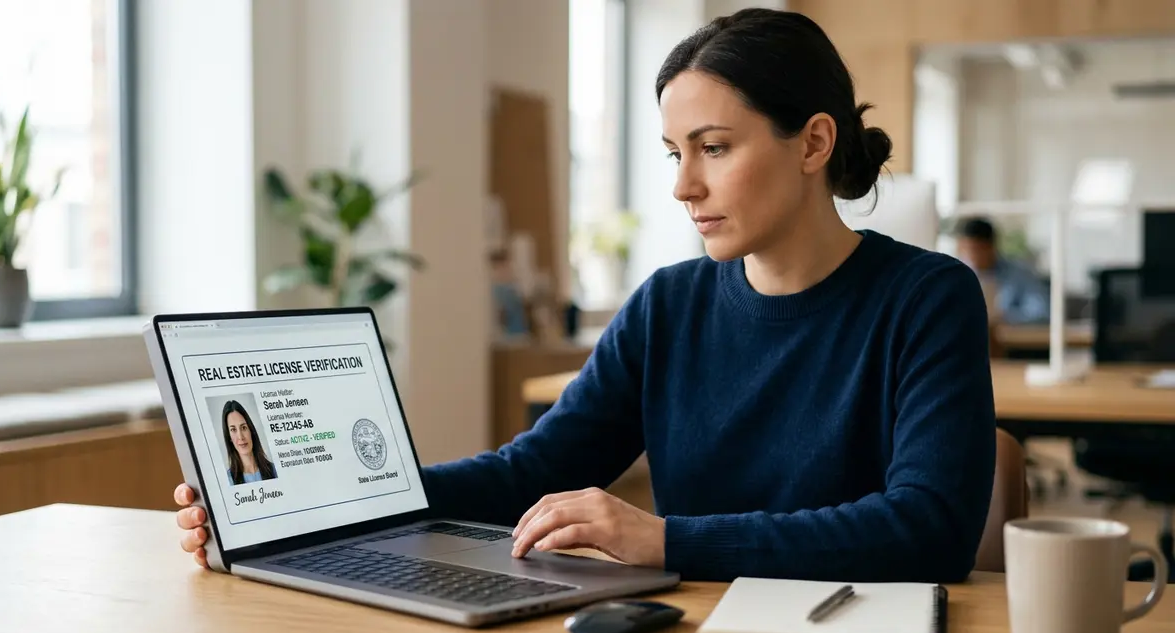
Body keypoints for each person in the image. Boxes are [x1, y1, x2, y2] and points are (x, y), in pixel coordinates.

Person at [175, 8, 995, 583]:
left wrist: (665, 538)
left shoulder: (927, 299)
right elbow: (527, 473)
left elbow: (926, 528)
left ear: (814, 141)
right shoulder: (668, 305)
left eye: (713, 147)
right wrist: (310, 504)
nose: (683, 185)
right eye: (675, 151)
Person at [955, 216, 1051, 325]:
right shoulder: (954, 275)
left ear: (991, 247)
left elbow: (1042, 312)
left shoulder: (1019, 274)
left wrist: (1004, 316)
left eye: (976, 249)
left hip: (1010, 339)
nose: (971, 255)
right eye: (965, 249)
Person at [220, 399, 278, 485]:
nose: (240, 437)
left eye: (243, 428)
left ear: (250, 430)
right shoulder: (228, 480)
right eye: (233, 430)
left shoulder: (274, 470)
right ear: (229, 437)